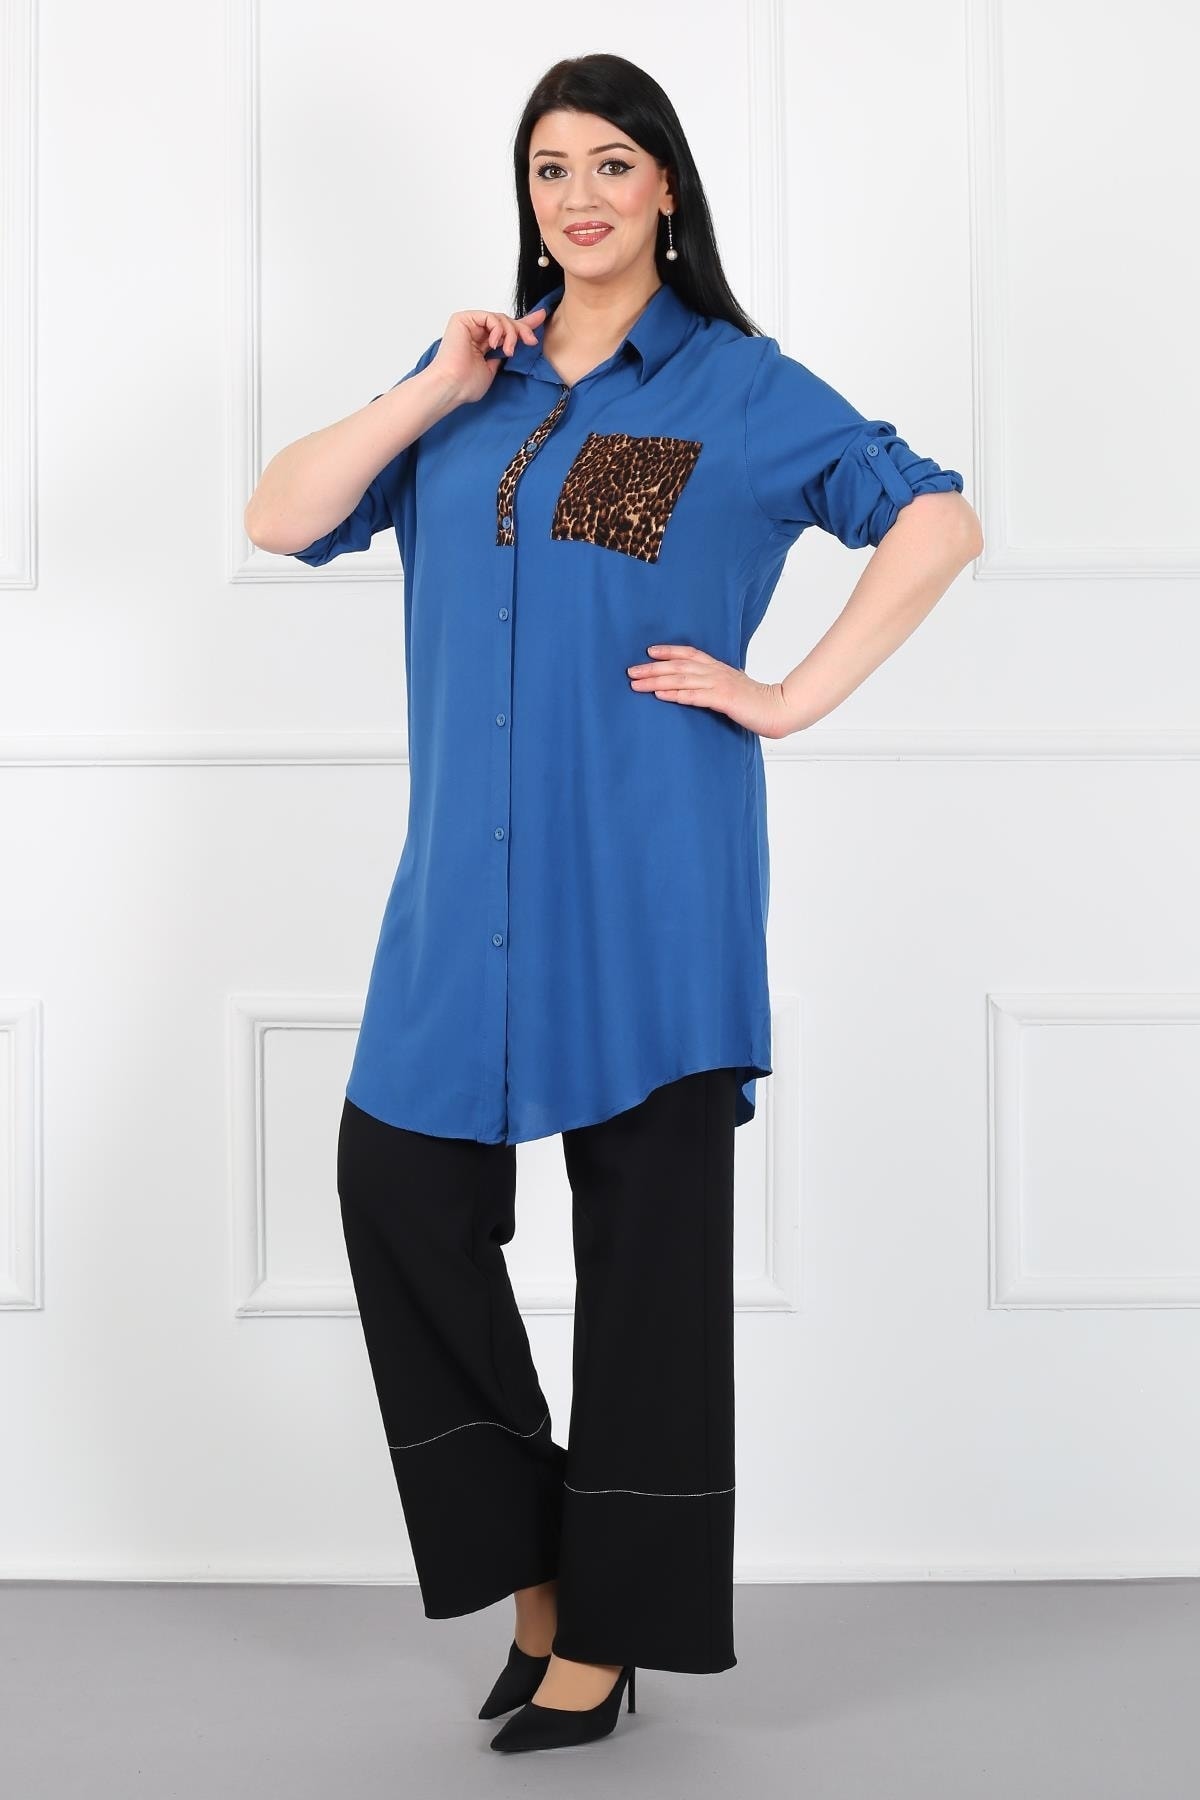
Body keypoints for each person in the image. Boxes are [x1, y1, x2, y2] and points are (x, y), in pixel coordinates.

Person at [244, 52, 982, 1755]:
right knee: (396, 1194)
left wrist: (788, 697)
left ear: (667, 188)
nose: (578, 197)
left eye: (611, 164)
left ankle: (613, 1637)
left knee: (648, 1273)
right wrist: (433, 387)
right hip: (463, 896)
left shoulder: (736, 386)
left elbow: (934, 522)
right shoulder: (469, 384)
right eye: (550, 168)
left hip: (651, 895)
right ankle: (540, 1590)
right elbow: (282, 515)